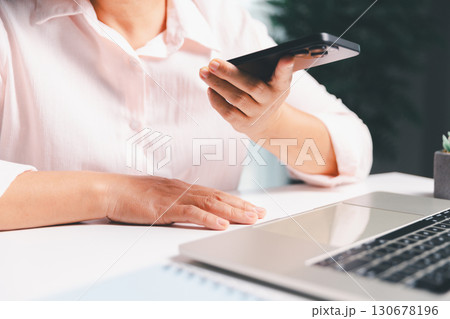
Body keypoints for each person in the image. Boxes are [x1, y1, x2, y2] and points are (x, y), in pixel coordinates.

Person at [0, 0, 372, 231]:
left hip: (202, 271)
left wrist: (269, 123)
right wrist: (115, 194)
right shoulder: (9, 24)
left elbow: (353, 150)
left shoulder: (220, 18)